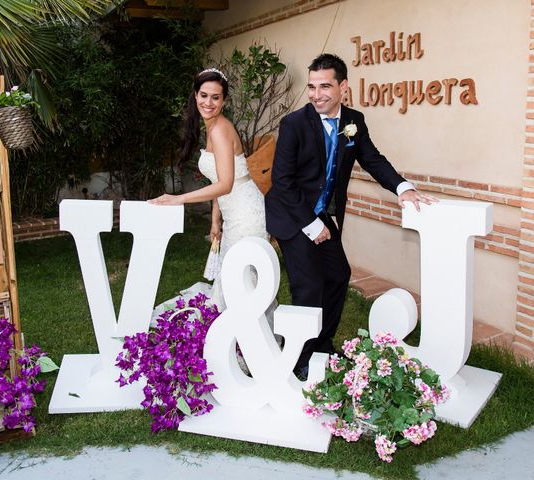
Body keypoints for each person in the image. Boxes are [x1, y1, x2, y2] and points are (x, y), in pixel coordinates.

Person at [265, 53, 436, 379]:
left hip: (324, 216)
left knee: (338, 275)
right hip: (293, 215)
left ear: (343, 86)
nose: (316, 95)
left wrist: (403, 188)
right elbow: (282, 183)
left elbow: (373, 159)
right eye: (312, 87)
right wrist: (311, 225)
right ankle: (299, 358)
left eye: (325, 86)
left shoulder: (353, 121)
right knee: (309, 285)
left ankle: (322, 343)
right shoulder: (293, 124)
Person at [149, 68, 269, 312]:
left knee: (241, 281)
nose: (208, 102)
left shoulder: (220, 129)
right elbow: (222, 181)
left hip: (246, 215)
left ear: (224, 100)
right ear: (195, 95)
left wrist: (178, 199)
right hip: (234, 211)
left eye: (216, 97)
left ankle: (247, 339)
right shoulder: (212, 127)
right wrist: (216, 220)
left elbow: (225, 184)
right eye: (204, 95)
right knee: (233, 279)